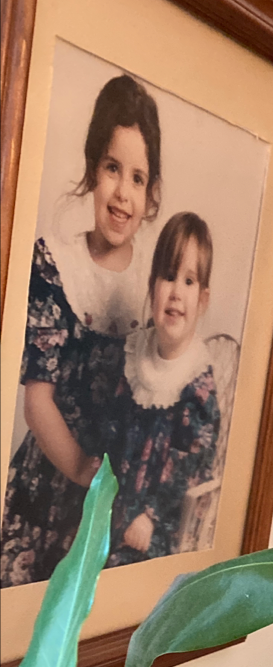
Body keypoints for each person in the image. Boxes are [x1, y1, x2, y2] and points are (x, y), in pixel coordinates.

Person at [1, 75, 161, 587]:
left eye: (138, 178)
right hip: (51, 485)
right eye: (113, 168)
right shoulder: (56, 264)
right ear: (93, 167)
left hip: (115, 502)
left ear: (150, 193)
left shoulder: (153, 281)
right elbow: (37, 402)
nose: (122, 193)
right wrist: (80, 472)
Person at [103, 212, 220, 566]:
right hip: (116, 507)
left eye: (189, 281)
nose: (175, 293)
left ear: (202, 300)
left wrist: (149, 517)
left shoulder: (197, 385)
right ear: (152, 285)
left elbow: (190, 468)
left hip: (156, 527)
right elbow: (115, 426)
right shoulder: (134, 356)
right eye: (168, 277)